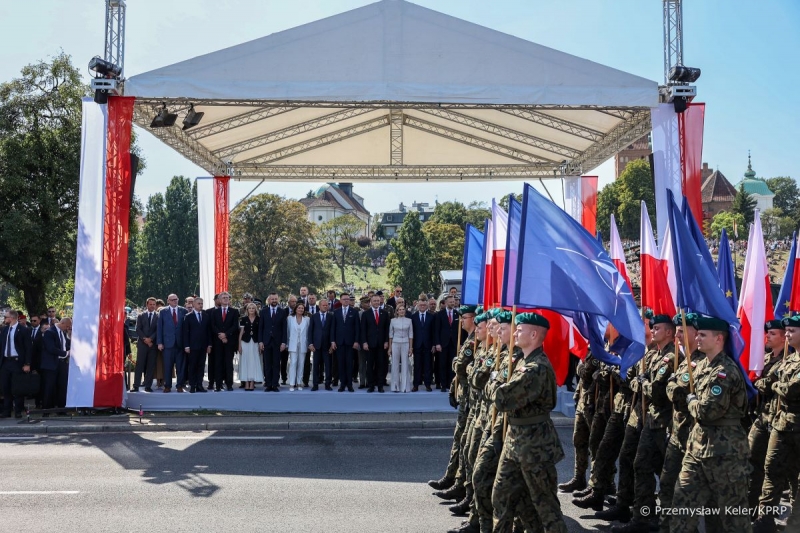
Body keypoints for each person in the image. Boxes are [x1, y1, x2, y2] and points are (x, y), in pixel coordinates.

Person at [671, 315, 751, 533]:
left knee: (733, 518)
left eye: (703, 335)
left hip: (725, 452)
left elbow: (707, 411)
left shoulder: (725, 371)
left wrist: (691, 400)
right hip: (697, 448)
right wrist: (689, 400)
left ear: (719, 339)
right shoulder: (701, 366)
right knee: (681, 505)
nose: (697, 338)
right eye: (697, 334)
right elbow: (676, 390)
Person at [489, 312, 567, 533]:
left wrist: (494, 381)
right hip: (515, 439)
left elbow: (502, 399)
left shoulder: (536, 368)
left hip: (534, 445)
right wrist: (496, 383)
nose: (515, 333)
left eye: (520, 329)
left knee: (545, 506)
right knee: (502, 497)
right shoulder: (523, 361)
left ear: (534, 335)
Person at [0, 310, 32, 418]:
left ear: (12, 318)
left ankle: (18, 410)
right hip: (6, 361)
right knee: (5, 387)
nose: (4, 319)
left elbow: (28, 348)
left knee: (17, 387)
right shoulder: (4, 330)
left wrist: (27, 363)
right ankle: (7, 410)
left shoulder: (23, 330)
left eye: (6, 317)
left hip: (17, 362)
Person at [157, 294, 186, 393]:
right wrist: (159, 342)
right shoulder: (163, 312)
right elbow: (159, 328)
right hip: (167, 344)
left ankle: (179, 385)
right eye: (172, 300)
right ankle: (167, 386)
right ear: (168, 301)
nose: (174, 301)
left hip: (180, 344)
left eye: (176, 299)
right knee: (167, 366)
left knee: (180, 367)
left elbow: (186, 328)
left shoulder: (183, 311)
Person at [210, 292, 240, 392]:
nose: (226, 299)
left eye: (227, 297)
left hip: (229, 342)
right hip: (217, 342)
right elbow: (213, 326)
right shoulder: (215, 312)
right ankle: (218, 385)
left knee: (229, 364)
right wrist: (221, 335)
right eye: (223, 297)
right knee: (218, 363)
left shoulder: (234, 311)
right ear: (219, 299)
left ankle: (229, 384)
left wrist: (226, 335)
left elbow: (235, 326)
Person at [40, 317, 71, 411]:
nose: (67, 329)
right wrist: (66, 353)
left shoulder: (63, 333)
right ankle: (46, 409)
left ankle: (61, 409)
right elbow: (51, 348)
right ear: (62, 323)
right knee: (49, 387)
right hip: (51, 364)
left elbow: (65, 345)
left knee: (62, 386)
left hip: (62, 363)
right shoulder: (49, 332)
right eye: (67, 326)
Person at [361, 294, 390, 393]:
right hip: (369, 344)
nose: (377, 302)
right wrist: (364, 342)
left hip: (382, 345)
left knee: (381, 365)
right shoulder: (366, 314)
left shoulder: (385, 313)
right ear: (371, 302)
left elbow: (387, 329)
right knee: (370, 366)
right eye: (375, 301)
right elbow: (363, 330)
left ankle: (380, 385)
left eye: (378, 301)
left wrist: (386, 341)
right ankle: (371, 385)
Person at [259, 292, 287, 392]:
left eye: (275, 299)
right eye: (272, 299)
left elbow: (284, 328)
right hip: (266, 341)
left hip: (277, 342)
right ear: (269, 300)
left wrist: (283, 342)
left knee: (276, 364)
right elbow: (261, 328)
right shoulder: (263, 311)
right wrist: (260, 341)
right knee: (267, 364)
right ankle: (268, 384)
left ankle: (275, 384)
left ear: (278, 300)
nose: (274, 301)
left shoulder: (282, 312)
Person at [182, 297, 211, 393]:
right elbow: (185, 332)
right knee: (192, 366)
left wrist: (209, 345)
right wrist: (186, 346)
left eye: (201, 303)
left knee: (201, 366)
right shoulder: (188, 316)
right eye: (199, 303)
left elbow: (208, 332)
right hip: (192, 346)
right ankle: (192, 385)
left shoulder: (206, 316)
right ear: (193, 304)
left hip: (203, 346)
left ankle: (199, 385)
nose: (200, 305)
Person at [332, 293, 359, 393]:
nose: (346, 301)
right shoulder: (336, 312)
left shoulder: (354, 312)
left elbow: (357, 328)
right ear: (340, 300)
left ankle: (349, 385)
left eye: (348, 299)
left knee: (349, 364)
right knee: (341, 364)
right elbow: (333, 328)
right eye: (344, 299)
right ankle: (342, 384)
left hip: (350, 342)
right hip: (339, 342)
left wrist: (356, 341)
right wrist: (333, 341)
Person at [132, 297, 158, 392]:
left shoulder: (158, 316)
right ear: (147, 305)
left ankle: (148, 386)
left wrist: (151, 339)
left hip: (153, 345)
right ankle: (136, 386)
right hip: (142, 344)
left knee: (151, 365)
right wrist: (145, 339)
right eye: (150, 304)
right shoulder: (141, 315)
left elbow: (158, 330)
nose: (152, 306)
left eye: (154, 304)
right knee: (140, 365)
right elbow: (138, 329)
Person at [435, 295, 460, 391]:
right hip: (443, 344)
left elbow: (460, 330)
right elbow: (436, 330)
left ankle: (450, 384)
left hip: (454, 343)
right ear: (445, 303)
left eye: (453, 302)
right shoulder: (439, 314)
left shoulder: (457, 314)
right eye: (450, 302)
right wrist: (437, 343)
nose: (452, 303)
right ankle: (443, 384)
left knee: (452, 363)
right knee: (442, 364)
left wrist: (460, 342)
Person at [308, 298, 334, 391]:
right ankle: (315, 384)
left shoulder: (331, 316)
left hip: (327, 346)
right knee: (316, 366)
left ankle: (328, 384)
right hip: (316, 345)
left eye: (327, 305)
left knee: (328, 366)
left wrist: (332, 344)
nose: (325, 307)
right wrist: (310, 343)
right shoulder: (314, 316)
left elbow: (332, 331)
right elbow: (310, 331)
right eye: (324, 305)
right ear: (319, 306)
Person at [411, 294, 435, 392]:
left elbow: (434, 332)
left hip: (428, 345)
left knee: (428, 366)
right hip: (417, 345)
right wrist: (411, 346)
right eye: (420, 305)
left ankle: (428, 384)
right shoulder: (413, 317)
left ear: (427, 306)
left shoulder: (431, 317)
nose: (422, 307)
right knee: (417, 366)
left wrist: (434, 344)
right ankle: (416, 385)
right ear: (417, 305)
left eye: (424, 305)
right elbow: (412, 332)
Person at [389, 300, 413, 393]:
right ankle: (395, 386)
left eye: (403, 309)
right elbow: (390, 335)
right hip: (395, 343)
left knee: (405, 364)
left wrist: (411, 347)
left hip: (406, 343)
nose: (402, 311)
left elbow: (411, 335)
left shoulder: (409, 321)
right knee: (394, 364)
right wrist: (390, 348)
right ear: (397, 311)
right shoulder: (393, 321)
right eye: (400, 309)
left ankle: (405, 387)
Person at [238, 303, 262, 391]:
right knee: (245, 361)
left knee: (253, 361)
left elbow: (260, 332)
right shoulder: (243, 319)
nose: (251, 310)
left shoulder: (259, 319)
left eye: (253, 308)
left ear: (255, 310)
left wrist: (260, 344)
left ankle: (252, 382)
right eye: (250, 308)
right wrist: (239, 345)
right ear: (247, 310)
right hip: (245, 342)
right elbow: (241, 332)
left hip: (255, 343)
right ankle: (246, 382)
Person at [286, 301, 309, 391]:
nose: (300, 309)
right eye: (299, 308)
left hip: (303, 344)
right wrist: (287, 343)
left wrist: (308, 344)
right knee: (293, 363)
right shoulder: (290, 318)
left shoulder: (307, 319)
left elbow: (308, 333)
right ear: (295, 309)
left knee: (301, 363)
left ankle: (299, 382)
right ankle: (292, 383)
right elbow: (287, 331)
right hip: (292, 343)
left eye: (302, 308)